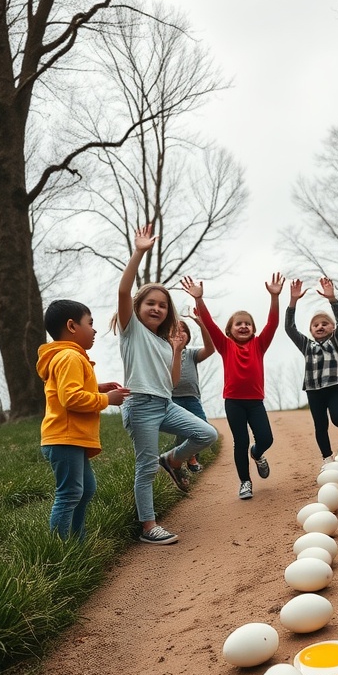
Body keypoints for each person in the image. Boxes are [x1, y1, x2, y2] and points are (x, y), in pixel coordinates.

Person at [115, 225, 218, 544]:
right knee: (144, 466)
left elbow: (172, 382)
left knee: (207, 433)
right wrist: (139, 252)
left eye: (162, 305)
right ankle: (149, 527)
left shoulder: (164, 344)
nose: (157, 308)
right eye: (150, 303)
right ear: (138, 307)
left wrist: (175, 351)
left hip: (164, 403)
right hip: (140, 406)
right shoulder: (131, 329)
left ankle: (172, 460)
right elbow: (122, 292)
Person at [181, 273, 285, 500]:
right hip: (234, 402)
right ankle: (245, 482)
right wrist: (199, 300)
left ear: (254, 329)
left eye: (248, 323)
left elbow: (273, 323)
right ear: (230, 330)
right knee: (241, 441)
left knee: (265, 439)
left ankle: (257, 455)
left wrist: (274, 297)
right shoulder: (225, 345)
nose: (244, 326)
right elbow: (209, 324)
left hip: (255, 402)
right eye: (239, 324)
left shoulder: (259, 345)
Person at [37, 299, 130, 540]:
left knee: (86, 489)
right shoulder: (69, 357)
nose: (95, 329)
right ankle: (59, 551)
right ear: (71, 325)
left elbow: (67, 390)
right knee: (69, 494)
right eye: (90, 323)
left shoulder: (65, 356)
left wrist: (97, 388)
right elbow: (71, 399)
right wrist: (107, 399)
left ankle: (78, 543)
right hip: (64, 438)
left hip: (70, 438)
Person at [285, 277, 338, 466]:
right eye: (315, 325)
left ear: (332, 328)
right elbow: (289, 329)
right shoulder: (306, 345)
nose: (320, 326)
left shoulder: (336, 342)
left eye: (325, 323)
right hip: (313, 390)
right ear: (310, 330)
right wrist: (293, 302)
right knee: (320, 425)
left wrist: (332, 299)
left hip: (334, 388)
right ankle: (327, 457)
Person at [171, 311, 215, 473]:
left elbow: (210, 349)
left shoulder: (191, 353)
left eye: (182, 330)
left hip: (192, 399)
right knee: (183, 430)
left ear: (188, 335)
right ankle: (186, 459)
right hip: (173, 399)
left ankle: (186, 456)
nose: (179, 333)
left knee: (202, 427)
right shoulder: (164, 354)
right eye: (174, 330)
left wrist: (202, 325)